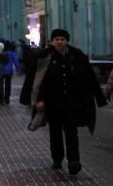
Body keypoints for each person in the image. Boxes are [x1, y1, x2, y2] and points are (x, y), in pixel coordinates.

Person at [23, 29, 108, 175]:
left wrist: (99, 98)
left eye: (62, 39)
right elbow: (38, 80)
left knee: (71, 131)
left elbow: (90, 77)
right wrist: (39, 99)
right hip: (52, 103)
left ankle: (74, 161)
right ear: (52, 41)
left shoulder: (77, 55)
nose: (59, 42)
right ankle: (57, 158)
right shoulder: (44, 56)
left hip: (72, 103)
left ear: (67, 40)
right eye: (56, 39)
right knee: (55, 132)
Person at [0, 40, 22, 105]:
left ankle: (1, 100)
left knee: (0, 85)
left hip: (0, 71)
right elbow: (16, 61)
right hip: (9, 71)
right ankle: (7, 99)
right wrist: (18, 70)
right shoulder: (11, 53)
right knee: (8, 85)